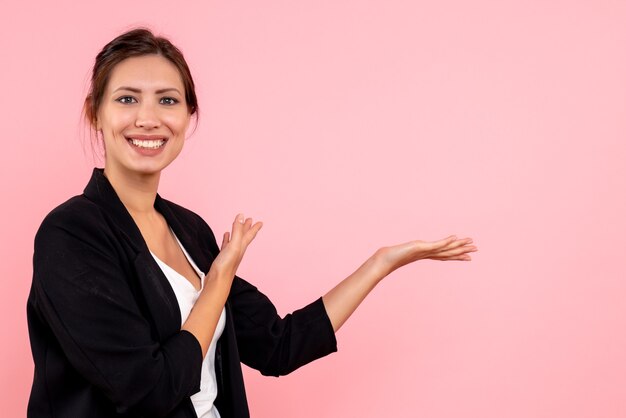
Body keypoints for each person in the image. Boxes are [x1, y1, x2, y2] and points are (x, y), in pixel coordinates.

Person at [26, 28, 477, 418]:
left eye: (168, 100)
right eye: (127, 99)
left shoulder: (190, 231)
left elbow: (279, 346)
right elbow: (148, 390)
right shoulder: (71, 235)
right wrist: (217, 282)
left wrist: (382, 263)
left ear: (188, 117)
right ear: (95, 113)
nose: (149, 118)